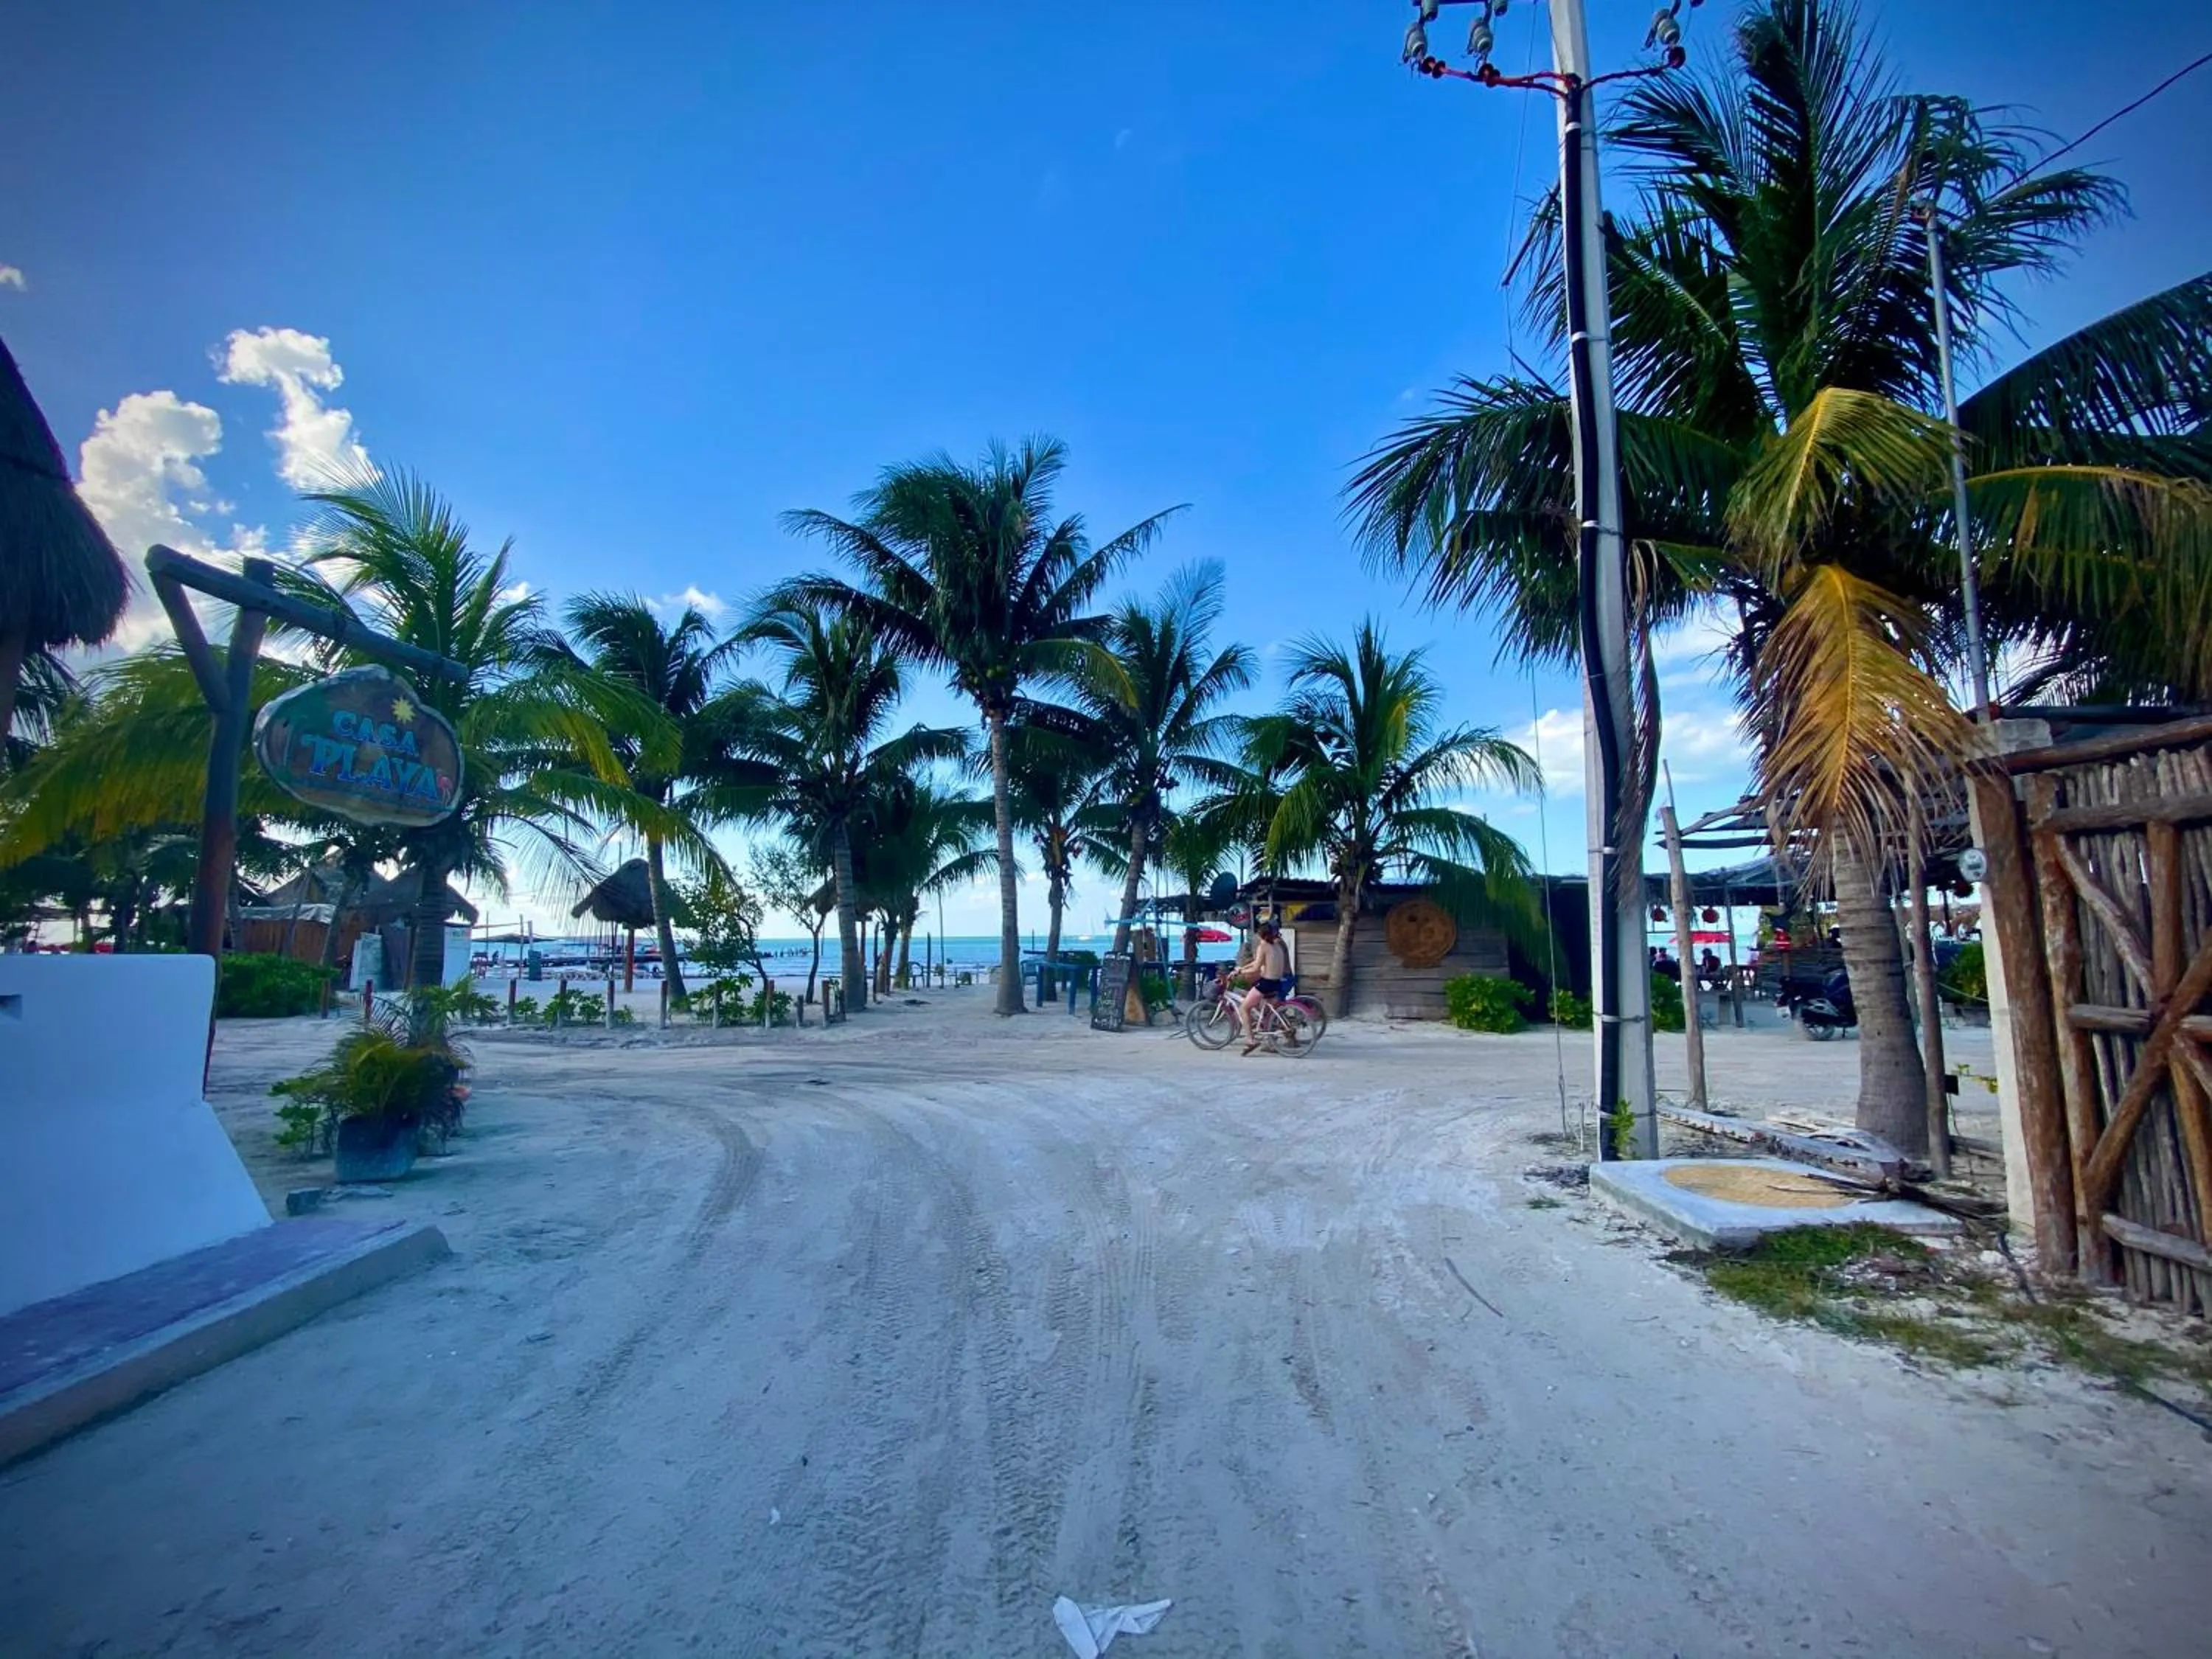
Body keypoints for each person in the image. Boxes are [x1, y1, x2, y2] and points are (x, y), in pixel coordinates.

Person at [1237, 920, 1293, 1054]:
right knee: (1266, 1010)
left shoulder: (1263, 946)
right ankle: (1269, 1039)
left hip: (1266, 984)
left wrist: (1241, 973)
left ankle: (1250, 1040)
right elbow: (1257, 962)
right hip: (1276, 983)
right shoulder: (1277, 945)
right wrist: (1242, 968)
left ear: (1261, 934)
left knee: (1244, 1008)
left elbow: (1256, 967)